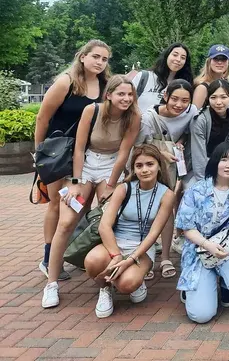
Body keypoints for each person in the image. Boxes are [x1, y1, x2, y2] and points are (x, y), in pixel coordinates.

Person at [41, 74, 141, 309]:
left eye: (130, 94)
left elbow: (124, 153)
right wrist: (75, 182)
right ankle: (52, 283)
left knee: (109, 220)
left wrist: (111, 184)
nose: (126, 98)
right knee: (66, 222)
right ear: (109, 95)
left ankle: (109, 281)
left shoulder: (134, 117)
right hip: (85, 164)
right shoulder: (91, 111)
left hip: (111, 165)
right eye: (121, 94)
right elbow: (78, 148)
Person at [35, 39, 110, 282]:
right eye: (95, 57)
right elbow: (42, 119)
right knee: (57, 205)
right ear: (83, 57)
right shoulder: (66, 82)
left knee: (82, 205)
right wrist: (40, 154)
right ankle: (48, 258)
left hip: (87, 153)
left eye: (104, 59)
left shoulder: (105, 84)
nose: (99, 62)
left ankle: (71, 249)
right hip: (59, 154)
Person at [83, 144, 175, 318]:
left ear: (159, 166)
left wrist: (131, 258)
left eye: (150, 164)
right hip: (115, 242)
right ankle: (105, 288)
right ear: (133, 168)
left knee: (127, 284)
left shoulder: (166, 194)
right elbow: (104, 226)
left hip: (142, 247)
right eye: (139, 166)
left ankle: (133, 279)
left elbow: (154, 234)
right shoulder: (124, 189)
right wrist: (116, 255)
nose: (144, 170)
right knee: (92, 261)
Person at [175, 143, 229, 323]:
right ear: (215, 162)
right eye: (224, 159)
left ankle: (224, 281)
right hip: (200, 250)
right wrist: (208, 245)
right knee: (201, 315)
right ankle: (196, 283)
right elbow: (186, 228)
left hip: (226, 250)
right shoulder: (196, 191)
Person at [135, 78, 199, 279]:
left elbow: (191, 133)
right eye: (175, 99)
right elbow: (138, 146)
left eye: (185, 100)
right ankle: (144, 255)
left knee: (167, 206)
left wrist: (179, 142)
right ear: (165, 96)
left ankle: (165, 257)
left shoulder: (192, 112)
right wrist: (161, 152)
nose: (179, 105)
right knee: (145, 208)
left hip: (172, 167)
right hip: (149, 167)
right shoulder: (148, 118)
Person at [189, 79, 229, 186]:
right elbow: (198, 155)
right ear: (208, 98)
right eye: (213, 97)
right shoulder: (199, 119)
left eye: (223, 97)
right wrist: (204, 183)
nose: (218, 102)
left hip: (223, 162)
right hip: (201, 164)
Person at [131, 43, 193, 113]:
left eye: (183, 57)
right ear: (167, 56)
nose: (178, 59)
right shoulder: (144, 77)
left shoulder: (184, 85)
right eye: (175, 55)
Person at [193, 45, 229, 109]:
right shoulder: (202, 87)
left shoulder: (225, 83)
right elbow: (194, 114)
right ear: (209, 62)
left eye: (223, 59)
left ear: (228, 63)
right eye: (216, 59)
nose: (220, 62)